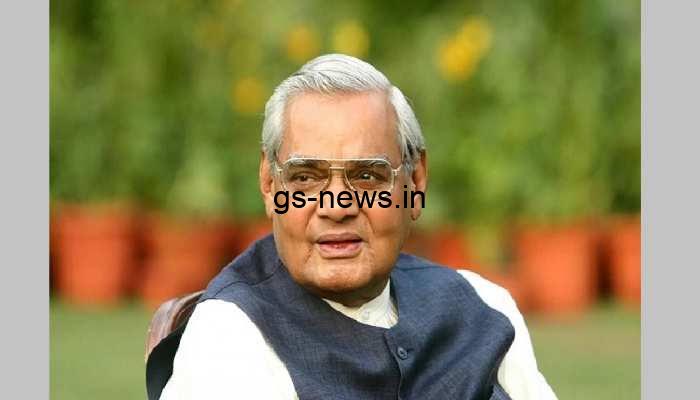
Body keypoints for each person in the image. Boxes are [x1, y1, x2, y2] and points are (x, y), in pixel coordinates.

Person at [147, 54, 557, 400]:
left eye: (366, 176)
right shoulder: (231, 338)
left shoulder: (483, 306)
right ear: (271, 186)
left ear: (414, 183)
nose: (336, 206)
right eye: (305, 177)